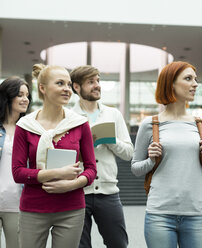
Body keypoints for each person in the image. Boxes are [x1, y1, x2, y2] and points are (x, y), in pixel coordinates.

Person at [131, 61, 202, 248]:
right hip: (160, 214)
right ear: (170, 84)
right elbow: (136, 168)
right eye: (188, 79)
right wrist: (151, 160)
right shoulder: (150, 124)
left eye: (195, 79)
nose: (195, 84)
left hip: (196, 213)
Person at [12, 64, 97, 248]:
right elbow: (18, 173)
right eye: (60, 83)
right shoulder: (25, 125)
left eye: (68, 84)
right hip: (33, 208)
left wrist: (72, 184)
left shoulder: (80, 124)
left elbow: (91, 169)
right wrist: (55, 174)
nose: (67, 89)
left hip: (72, 208)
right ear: (42, 88)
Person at [70, 65, 134, 248]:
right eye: (90, 82)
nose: (97, 85)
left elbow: (129, 153)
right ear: (76, 87)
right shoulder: (68, 116)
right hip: (77, 191)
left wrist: (110, 140)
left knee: (118, 243)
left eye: (98, 81)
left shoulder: (113, 114)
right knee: (80, 246)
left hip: (108, 192)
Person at [0, 77, 31, 248]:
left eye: (27, 95)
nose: (25, 99)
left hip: (18, 204)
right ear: (7, 96)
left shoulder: (30, 130)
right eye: (20, 95)